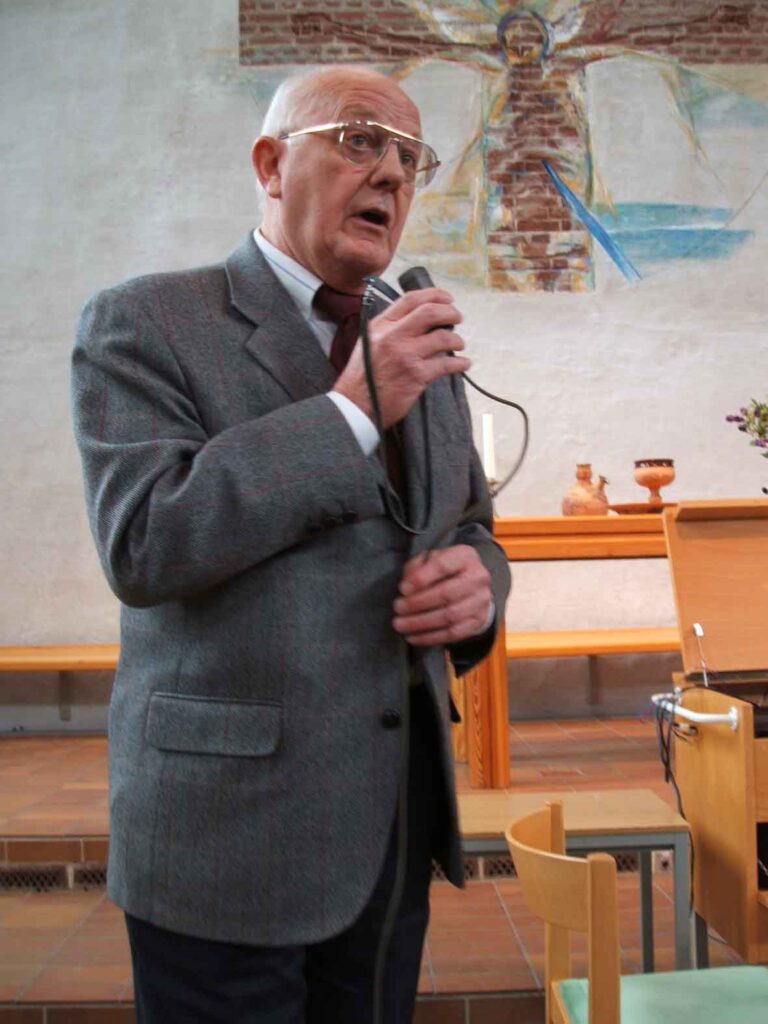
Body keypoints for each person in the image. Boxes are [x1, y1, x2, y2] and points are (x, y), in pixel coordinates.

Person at [72, 65, 511, 1023]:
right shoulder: (146, 321)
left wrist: (477, 586)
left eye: (411, 158)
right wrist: (350, 410)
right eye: (360, 140)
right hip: (227, 831)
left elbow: (470, 524)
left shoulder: (412, 336)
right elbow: (144, 542)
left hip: (389, 823)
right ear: (271, 165)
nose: (391, 174)